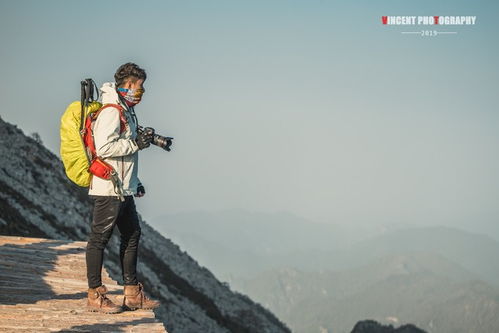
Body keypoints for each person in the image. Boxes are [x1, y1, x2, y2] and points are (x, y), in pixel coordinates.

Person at [85, 62, 160, 313]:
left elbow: (125, 155)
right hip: (108, 188)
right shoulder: (111, 111)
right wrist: (136, 144)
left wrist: (134, 183)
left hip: (122, 188)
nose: (141, 92)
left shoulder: (125, 110)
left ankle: (131, 293)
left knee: (132, 235)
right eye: (140, 87)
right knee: (99, 240)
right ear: (128, 85)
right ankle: (95, 295)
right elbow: (105, 148)